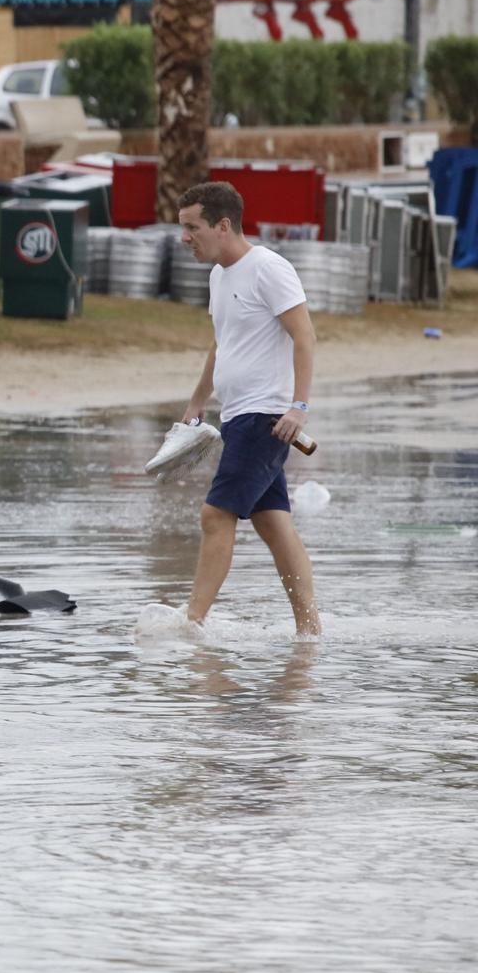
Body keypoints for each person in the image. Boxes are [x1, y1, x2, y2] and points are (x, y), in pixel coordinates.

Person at [173, 181, 322, 637]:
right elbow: (222, 345)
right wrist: (198, 401)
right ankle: (310, 631)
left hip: (268, 417)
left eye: (192, 227)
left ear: (223, 225)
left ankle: (191, 623)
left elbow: (305, 336)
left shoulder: (268, 268)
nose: (184, 237)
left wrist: (298, 407)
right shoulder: (219, 275)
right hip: (236, 415)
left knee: (215, 516)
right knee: (274, 524)